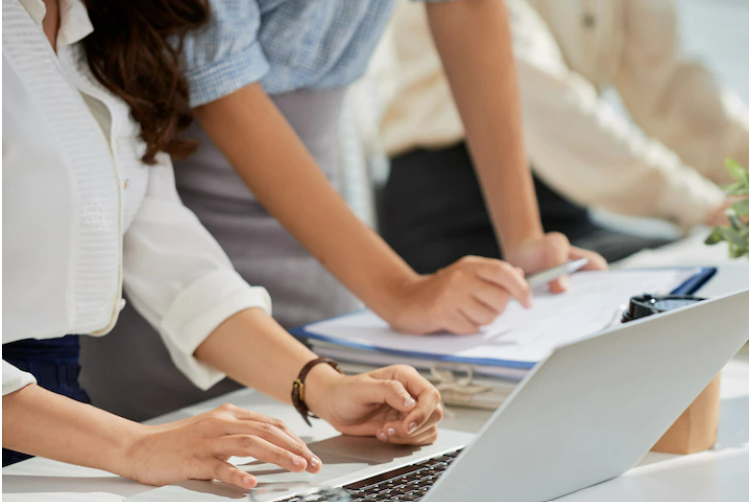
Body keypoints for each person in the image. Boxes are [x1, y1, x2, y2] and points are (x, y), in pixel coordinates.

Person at [79, 0, 607, 422]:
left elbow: (467, 6)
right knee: (198, 442)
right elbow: (220, 83)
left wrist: (524, 238)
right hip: (180, 226)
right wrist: (398, 290)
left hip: (320, 235)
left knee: (332, 437)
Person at [2, 0, 443, 488]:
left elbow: (174, 262)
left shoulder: (96, 28)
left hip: (55, 421)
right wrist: (135, 445)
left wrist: (322, 387)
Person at [371, 0, 749, 273]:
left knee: (696, 280)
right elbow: (545, 99)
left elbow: (667, 80)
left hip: (563, 204)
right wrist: (703, 205)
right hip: (452, 207)